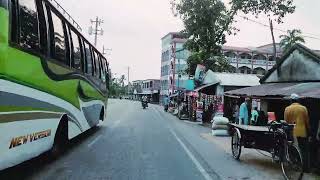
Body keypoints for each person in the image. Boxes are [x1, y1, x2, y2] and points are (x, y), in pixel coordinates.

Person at [284, 93, 310, 172]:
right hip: (302, 132)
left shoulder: (287, 109)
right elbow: (307, 121)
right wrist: (308, 131)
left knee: (294, 149)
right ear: (298, 100)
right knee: (304, 150)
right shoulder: (303, 108)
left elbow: (286, 121)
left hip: (292, 132)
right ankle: (305, 168)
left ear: (291, 100)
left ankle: (296, 166)